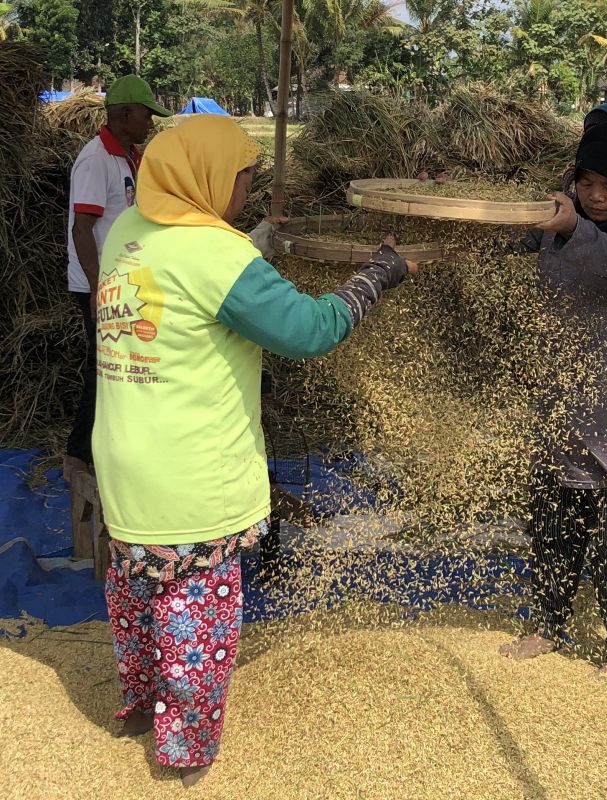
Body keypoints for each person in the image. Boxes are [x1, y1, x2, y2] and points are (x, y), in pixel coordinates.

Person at [93, 115, 417, 786]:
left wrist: (255, 246)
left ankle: (140, 701)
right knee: (196, 612)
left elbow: (199, 292)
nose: (246, 189)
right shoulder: (217, 256)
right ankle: (185, 750)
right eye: (243, 177)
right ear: (212, 180)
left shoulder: (128, 231)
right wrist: (378, 275)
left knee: (138, 590)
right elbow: (310, 329)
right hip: (191, 478)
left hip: (125, 460)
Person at [500, 123, 607, 683]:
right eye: (587, 182)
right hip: (561, 396)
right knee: (554, 520)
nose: (598, 196)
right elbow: (502, 237)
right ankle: (547, 622)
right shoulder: (559, 214)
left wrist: (576, 227)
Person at [64, 75, 171, 474]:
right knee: (106, 370)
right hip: (99, 282)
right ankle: (79, 456)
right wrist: (96, 289)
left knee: (121, 367)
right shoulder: (96, 160)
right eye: (146, 115)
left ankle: (109, 448)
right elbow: (82, 228)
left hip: (123, 281)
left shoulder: (129, 155)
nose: (151, 123)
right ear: (123, 114)